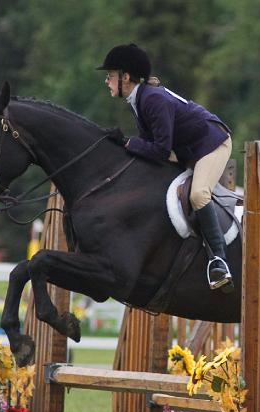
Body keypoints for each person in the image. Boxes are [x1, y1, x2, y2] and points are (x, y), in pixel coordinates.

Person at [97, 43, 234, 292]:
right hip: (186, 149)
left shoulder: (152, 100)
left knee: (198, 194)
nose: (107, 81)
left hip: (212, 143)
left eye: (110, 76)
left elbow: (159, 150)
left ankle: (219, 261)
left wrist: (128, 143)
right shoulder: (138, 99)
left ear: (125, 77)